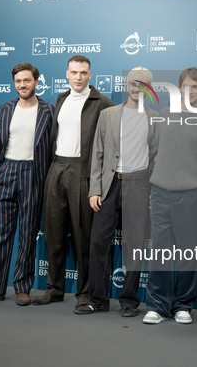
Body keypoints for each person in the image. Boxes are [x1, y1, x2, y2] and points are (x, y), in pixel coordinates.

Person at [0, 63, 54, 306]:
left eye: (27, 80)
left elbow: (52, 146)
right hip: (7, 172)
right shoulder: (5, 109)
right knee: (1, 234)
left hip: (32, 174)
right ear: (14, 83)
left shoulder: (48, 110)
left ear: (36, 81)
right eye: (18, 81)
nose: (22, 85)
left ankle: (22, 288)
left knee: (27, 235)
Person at [33, 55, 114, 312]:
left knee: (83, 238)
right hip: (56, 168)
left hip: (84, 173)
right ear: (67, 74)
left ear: (90, 75)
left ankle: (85, 292)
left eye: (83, 73)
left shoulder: (103, 103)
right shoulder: (61, 99)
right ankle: (54, 289)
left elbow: (111, 146)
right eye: (74, 72)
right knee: (53, 235)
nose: (78, 77)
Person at [75, 67, 157, 317]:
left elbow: (156, 155)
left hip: (139, 185)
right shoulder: (108, 115)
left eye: (143, 83)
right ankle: (97, 299)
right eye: (133, 82)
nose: (136, 87)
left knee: (134, 245)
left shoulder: (156, 118)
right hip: (109, 186)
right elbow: (97, 154)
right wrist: (94, 190)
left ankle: (129, 300)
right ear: (126, 84)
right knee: (99, 242)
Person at [143, 68, 197, 325]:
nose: (190, 92)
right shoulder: (164, 116)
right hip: (161, 193)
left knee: (189, 254)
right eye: (185, 87)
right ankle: (157, 305)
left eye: (195, 87)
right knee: (160, 253)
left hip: (191, 197)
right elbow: (153, 150)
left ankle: (183, 305)